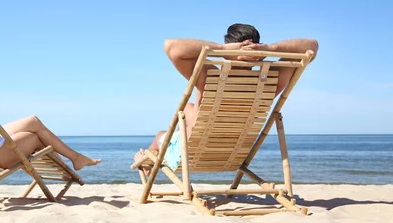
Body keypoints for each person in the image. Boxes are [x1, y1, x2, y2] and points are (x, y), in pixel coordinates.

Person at [134, 23, 319, 172]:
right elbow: (312, 47)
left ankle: (148, 157)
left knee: (162, 134)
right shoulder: (271, 80)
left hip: (190, 152)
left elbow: (171, 47)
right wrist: (271, 49)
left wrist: (222, 49)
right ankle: (150, 155)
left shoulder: (210, 78)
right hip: (232, 152)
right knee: (189, 109)